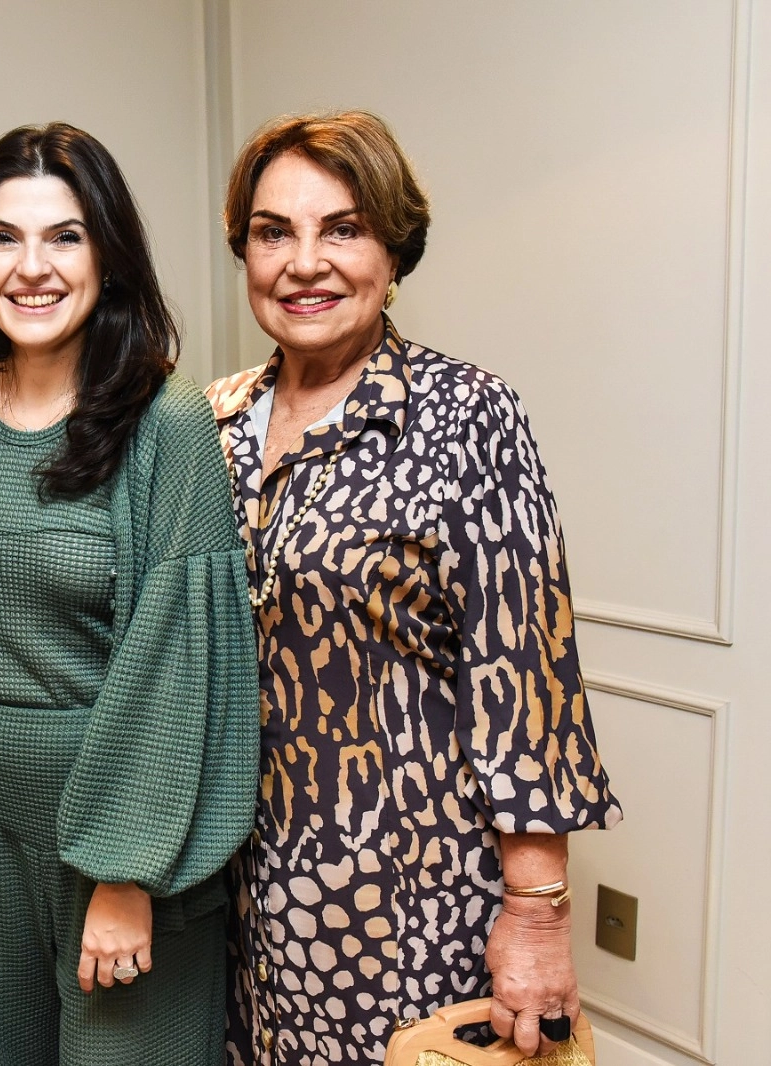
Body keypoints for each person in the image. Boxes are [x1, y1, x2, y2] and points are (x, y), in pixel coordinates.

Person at [206, 110, 621, 1066]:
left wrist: (538, 915)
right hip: (241, 904)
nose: (304, 262)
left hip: (412, 908)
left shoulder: (466, 415)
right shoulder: (208, 422)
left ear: (393, 250)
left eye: (342, 229)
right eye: (275, 232)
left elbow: (526, 679)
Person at [0, 123, 260, 1065]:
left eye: (65, 236)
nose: (33, 267)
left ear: (109, 255)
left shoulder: (166, 423)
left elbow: (181, 671)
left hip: (127, 844)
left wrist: (125, 877)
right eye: (3, 237)